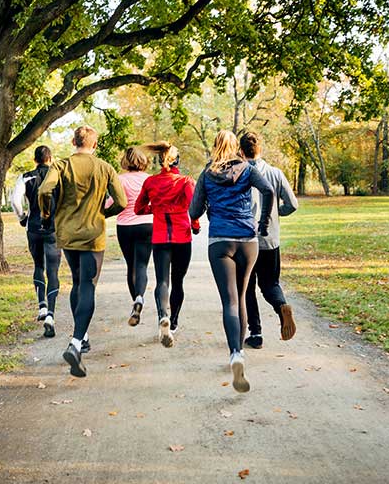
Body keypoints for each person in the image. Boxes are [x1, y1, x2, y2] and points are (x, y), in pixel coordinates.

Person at [38, 126, 127, 377]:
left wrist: (47, 214)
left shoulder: (61, 166)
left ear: (73, 141)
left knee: (77, 281)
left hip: (68, 234)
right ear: (95, 144)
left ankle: (83, 335)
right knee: (87, 284)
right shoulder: (104, 167)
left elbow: (45, 190)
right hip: (92, 235)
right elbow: (121, 202)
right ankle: (76, 343)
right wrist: (102, 214)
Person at [189, 130, 273, 392]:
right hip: (248, 240)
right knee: (243, 294)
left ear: (215, 146)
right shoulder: (247, 169)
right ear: (235, 147)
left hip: (220, 242)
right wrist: (263, 223)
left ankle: (235, 353)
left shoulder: (207, 173)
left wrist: (208, 207)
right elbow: (269, 190)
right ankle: (241, 355)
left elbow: (194, 210)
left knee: (230, 301)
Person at [134, 141, 200, 348]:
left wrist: (155, 209)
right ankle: (173, 323)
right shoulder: (186, 182)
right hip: (182, 238)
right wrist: (195, 225)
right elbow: (195, 208)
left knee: (162, 281)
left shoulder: (151, 182)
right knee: (178, 282)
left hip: (161, 237)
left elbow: (138, 208)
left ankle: (163, 315)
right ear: (177, 161)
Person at [239, 131, 298, 349]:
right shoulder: (275, 173)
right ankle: (281, 305)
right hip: (269, 240)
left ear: (241, 151)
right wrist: (275, 212)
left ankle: (256, 333)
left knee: (247, 288)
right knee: (270, 283)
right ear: (260, 149)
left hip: (245, 240)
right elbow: (292, 204)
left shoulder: (240, 173)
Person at [11, 145, 61, 338]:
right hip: (53, 228)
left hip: (33, 227)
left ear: (35, 159)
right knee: (53, 270)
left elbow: (15, 201)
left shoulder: (25, 177)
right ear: (50, 158)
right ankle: (51, 315)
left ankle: (41, 306)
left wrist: (22, 217)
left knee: (38, 265)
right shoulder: (57, 176)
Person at [108, 147, 153, 327]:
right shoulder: (149, 179)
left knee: (131, 265)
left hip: (125, 227)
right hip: (147, 225)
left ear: (125, 162)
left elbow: (112, 202)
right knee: (142, 264)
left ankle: (135, 299)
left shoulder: (119, 179)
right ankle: (140, 297)